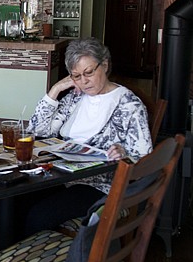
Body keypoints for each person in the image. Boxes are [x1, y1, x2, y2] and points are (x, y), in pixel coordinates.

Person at [17, 37, 153, 238]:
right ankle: (9, 256)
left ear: (104, 65)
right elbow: (37, 132)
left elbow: (145, 161)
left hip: (98, 186)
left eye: (89, 73)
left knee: (39, 215)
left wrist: (124, 153)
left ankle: (35, 256)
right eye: (76, 76)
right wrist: (55, 90)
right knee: (16, 198)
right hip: (60, 175)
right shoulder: (76, 97)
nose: (84, 81)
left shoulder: (129, 106)